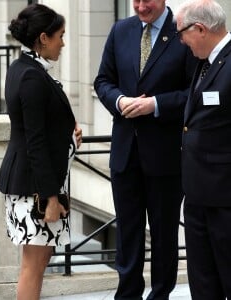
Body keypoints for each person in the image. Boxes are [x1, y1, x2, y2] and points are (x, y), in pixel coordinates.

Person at [94, 0, 198, 299]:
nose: (139, 7)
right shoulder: (120, 30)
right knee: (128, 232)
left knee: (164, 234)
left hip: (166, 156)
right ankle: (127, 294)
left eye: (146, 0)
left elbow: (193, 92)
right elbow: (103, 80)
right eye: (135, 0)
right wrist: (118, 101)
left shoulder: (183, 31)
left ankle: (160, 294)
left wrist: (155, 105)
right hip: (125, 153)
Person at [0, 4, 82, 300]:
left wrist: (69, 133)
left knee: (38, 262)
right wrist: (51, 197)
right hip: (34, 188)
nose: (63, 43)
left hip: (33, 184)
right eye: (60, 36)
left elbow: (43, 124)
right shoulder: (32, 75)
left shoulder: (23, 67)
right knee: (33, 265)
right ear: (44, 38)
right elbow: (34, 139)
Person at [175, 0, 231, 299]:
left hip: (224, 201)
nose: (181, 41)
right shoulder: (203, 62)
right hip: (197, 198)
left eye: (182, 33)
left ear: (200, 28)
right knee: (203, 284)